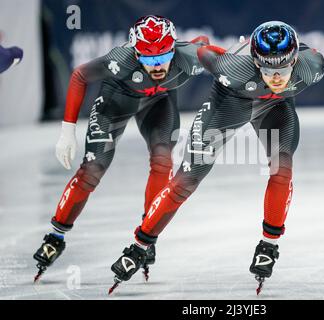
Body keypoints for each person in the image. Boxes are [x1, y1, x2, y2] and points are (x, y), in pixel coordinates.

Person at [109, 21, 324, 294]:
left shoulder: (312, 66)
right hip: (231, 102)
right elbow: (201, 51)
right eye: (268, 69)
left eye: (283, 68)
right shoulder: (231, 69)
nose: (277, 77)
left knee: (282, 170)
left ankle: (269, 244)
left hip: (276, 106)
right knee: (188, 179)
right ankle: (140, 245)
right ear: (256, 62)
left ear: (295, 60)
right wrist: (220, 50)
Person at [32, 15, 209, 282]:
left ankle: (149, 231)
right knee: (92, 169)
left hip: (159, 101)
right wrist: (68, 131)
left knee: (163, 161)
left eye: (162, 56)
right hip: (117, 101)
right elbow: (80, 74)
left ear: (174, 49)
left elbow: (207, 47)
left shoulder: (189, 56)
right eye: (148, 60)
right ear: (136, 54)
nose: (157, 65)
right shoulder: (120, 59)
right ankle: (56, 235)